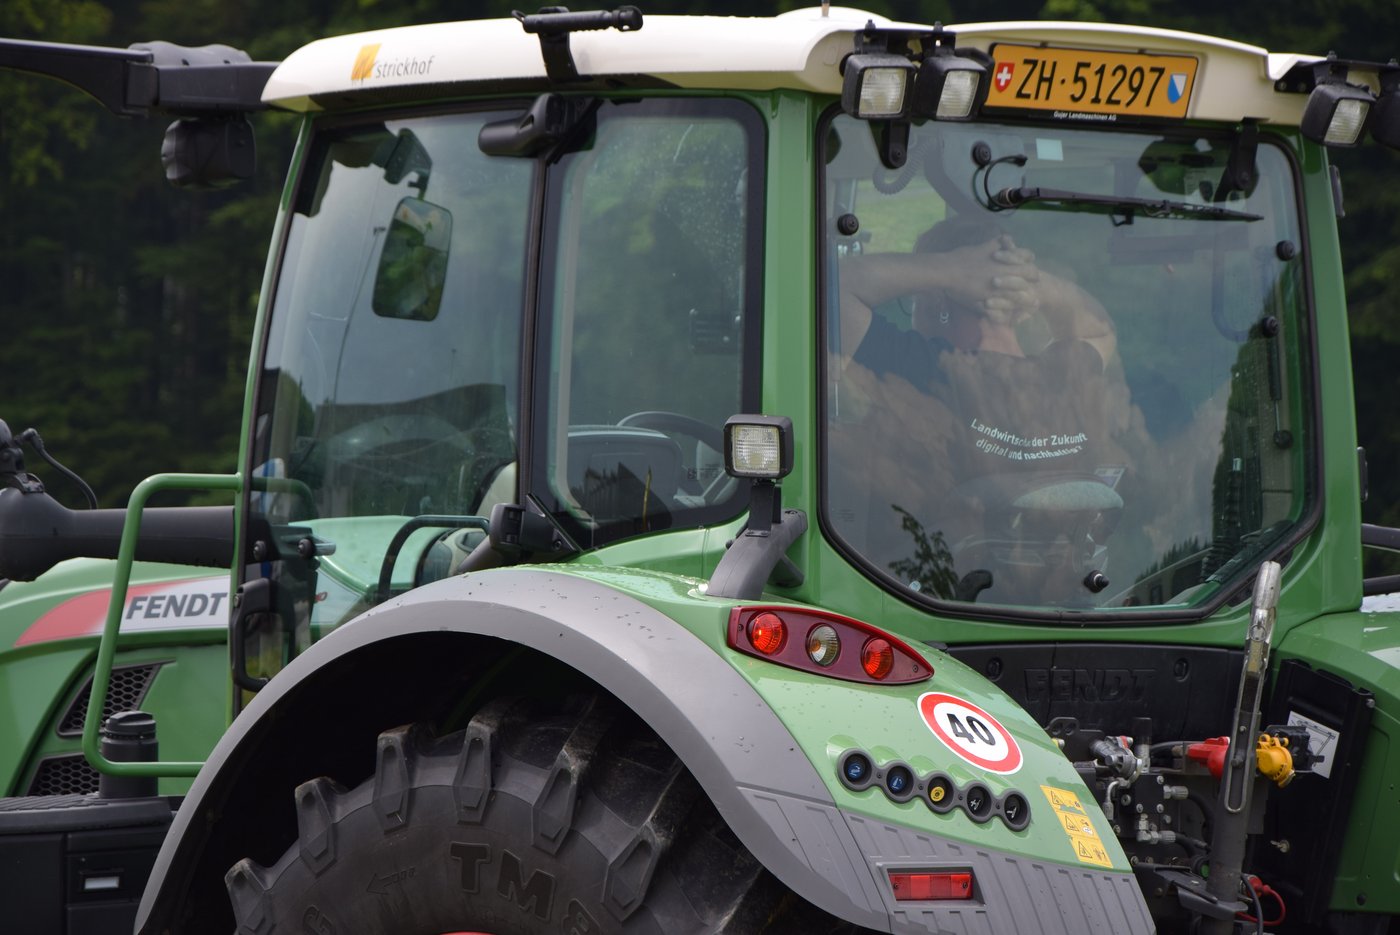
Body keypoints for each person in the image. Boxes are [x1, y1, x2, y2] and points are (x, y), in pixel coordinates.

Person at [831, 216, 1133, 605]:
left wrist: (947, 270)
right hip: (1056, 610)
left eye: (919, 301)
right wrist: (1028, 282)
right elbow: (1100, 326)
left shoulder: (925, 369)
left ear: (938, 301)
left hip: (929, 613)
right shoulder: (1066, 376)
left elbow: (830, 289)